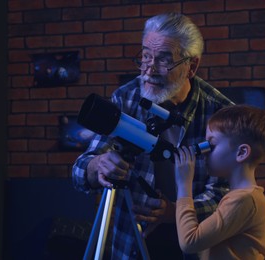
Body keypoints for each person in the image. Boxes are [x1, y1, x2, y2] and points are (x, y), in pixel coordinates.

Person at [72, 12, 234, 259]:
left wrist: (176, 211)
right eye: (146, 56)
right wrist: (98, 165)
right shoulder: (126, 98)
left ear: (192, 66)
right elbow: (80, 171)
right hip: (131, 242)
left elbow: (226, 193)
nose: (149, 70)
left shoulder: (221, 114)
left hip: (196, 245)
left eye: (163, 60)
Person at [174, 105, 265, 260]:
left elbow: (189, 242)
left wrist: (184, 185)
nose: (204, 153)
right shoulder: (242, 196)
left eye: (211, 145)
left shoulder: (244, 199)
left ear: (241, 153)